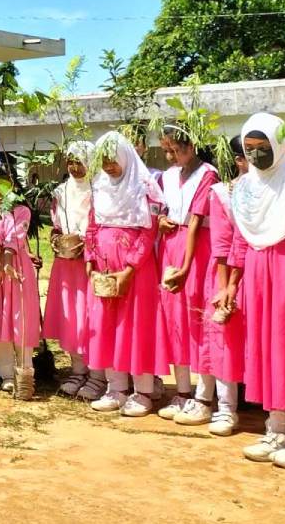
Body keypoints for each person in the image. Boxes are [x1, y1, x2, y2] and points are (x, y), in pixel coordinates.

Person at [230, 113, 285, 470]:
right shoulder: (245, 188)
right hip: (259, 273)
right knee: (269, 348)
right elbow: (239, 238)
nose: (256, 154)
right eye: (249, 148)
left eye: (263, 147)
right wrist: (232, 284)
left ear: (280, 145)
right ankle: (279, 428)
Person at [84, 131, 167, 417]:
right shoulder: (100, 186)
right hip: (104, 266)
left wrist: (130, 267)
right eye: (104, 161)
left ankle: (142, 390)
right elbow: (92, 225)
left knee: (137, 325)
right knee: (106, 324)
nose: (109, 166)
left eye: (113, 160)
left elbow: (149, 229)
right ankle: (115, 387)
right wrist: (90, 258)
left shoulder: (144, 187)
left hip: (137, 270)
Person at [156, 123, 219, 421]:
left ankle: (204, 396)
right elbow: (159, 208)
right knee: (174, 319)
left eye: (175, 150)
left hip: (197, 251)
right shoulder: (167, 176)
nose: (170, 157)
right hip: (170, 246)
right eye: (166, 151)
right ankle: (182, 392)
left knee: (198, 317)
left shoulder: (207, 174)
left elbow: (195, 221)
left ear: (191, 146)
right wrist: (160, 221)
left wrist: (185, 266)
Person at [186, 135, 247, 436]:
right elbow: (222, 245)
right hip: (226, 272)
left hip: (259, 270)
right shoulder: (222, 193)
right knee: (220, 337)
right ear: (238, 160)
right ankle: (220, 404)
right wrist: (225, 286)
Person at [44, 141, 100, 399]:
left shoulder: (100, 191)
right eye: (71, 162)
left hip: (90, 264)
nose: (75, 167)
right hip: (66, 264)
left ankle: (98, 373)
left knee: (91, 315)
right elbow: (55, 226)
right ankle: (77, 369)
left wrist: (85, 244)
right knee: (71, 315)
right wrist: (56, 240)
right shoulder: (61, 191)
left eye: (80, 161)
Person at [0, 165, 41, 393]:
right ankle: (5, 373)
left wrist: (6, 265)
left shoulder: (21, 210)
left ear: (13, 183)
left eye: (3, 181)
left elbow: (14, 238)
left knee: (19, 315)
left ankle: (24, 368)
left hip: (16, 266)